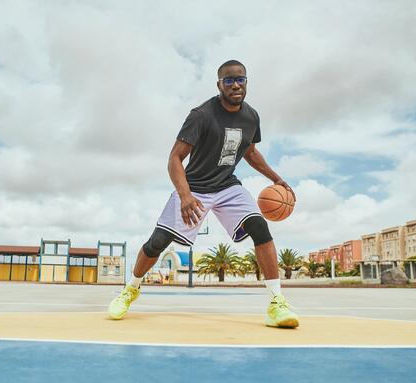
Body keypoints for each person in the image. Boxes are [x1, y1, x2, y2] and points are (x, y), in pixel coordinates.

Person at [108, 60, 299, 328]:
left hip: (228, 186)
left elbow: (250, 152)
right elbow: (175, 158)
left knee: (259, 226)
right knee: (157, 242)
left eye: (240, 79)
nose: (235, 85)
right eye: (229, 80)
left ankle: (277, 302)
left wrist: (276, 178)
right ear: (219, 84)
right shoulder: (202, 115)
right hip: (194, 187)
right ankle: (131, 289)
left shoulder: (251, 117)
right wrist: (185, 195)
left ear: (246, 82)